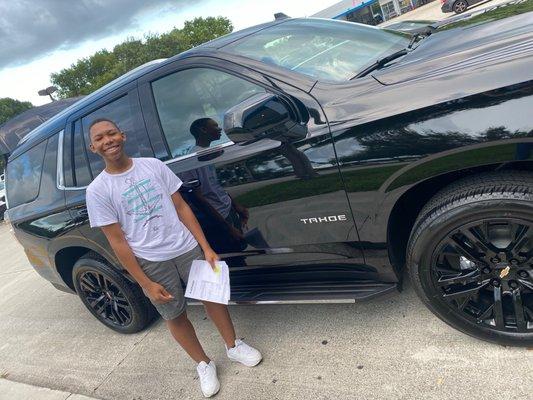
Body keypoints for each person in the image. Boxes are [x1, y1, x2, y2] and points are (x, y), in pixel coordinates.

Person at [85, 118, 262, 398]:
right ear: (93, 147)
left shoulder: (153, 166)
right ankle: (203, 363)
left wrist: (205, 246)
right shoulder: (98, 191)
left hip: (185, 247)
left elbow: (181, 207)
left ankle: (233, 346)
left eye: (111, 133)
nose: (108, 140)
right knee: (174, 314)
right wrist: (144, 283)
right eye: (100, 138)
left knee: (211, 298)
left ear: (123, 135)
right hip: (151, 260)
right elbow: (117, 241)